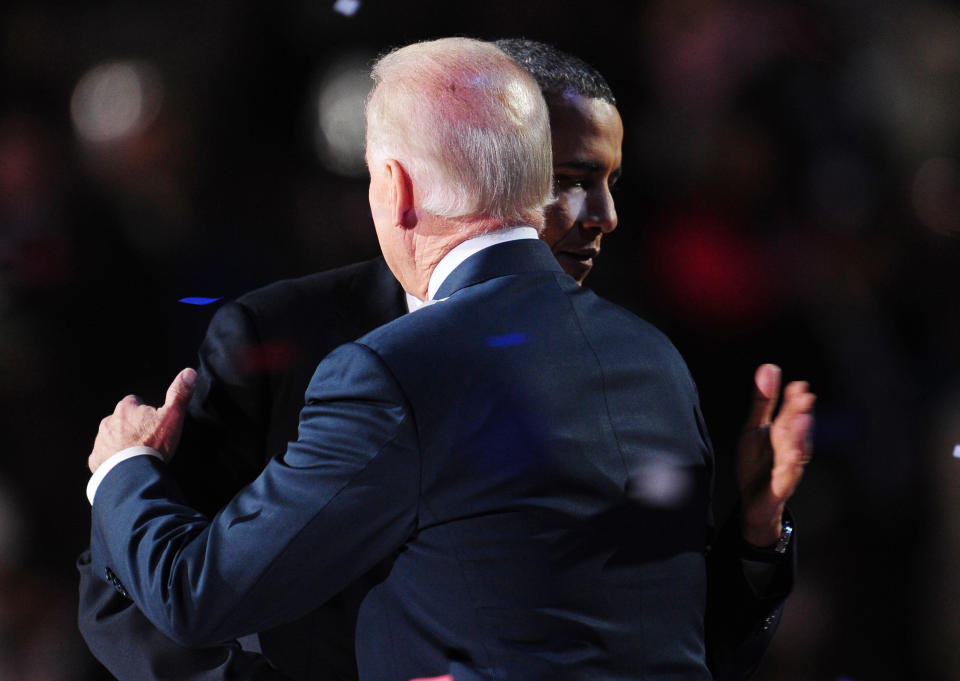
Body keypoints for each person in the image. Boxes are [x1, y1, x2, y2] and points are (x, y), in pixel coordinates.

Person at [83, 37, 814, 681]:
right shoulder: (651, 357)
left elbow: (667, 644)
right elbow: (131, 604)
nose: (603, 214)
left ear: (394, 184)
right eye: (567, 177)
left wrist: (122, 468)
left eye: (610, 180)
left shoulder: (626, 358)